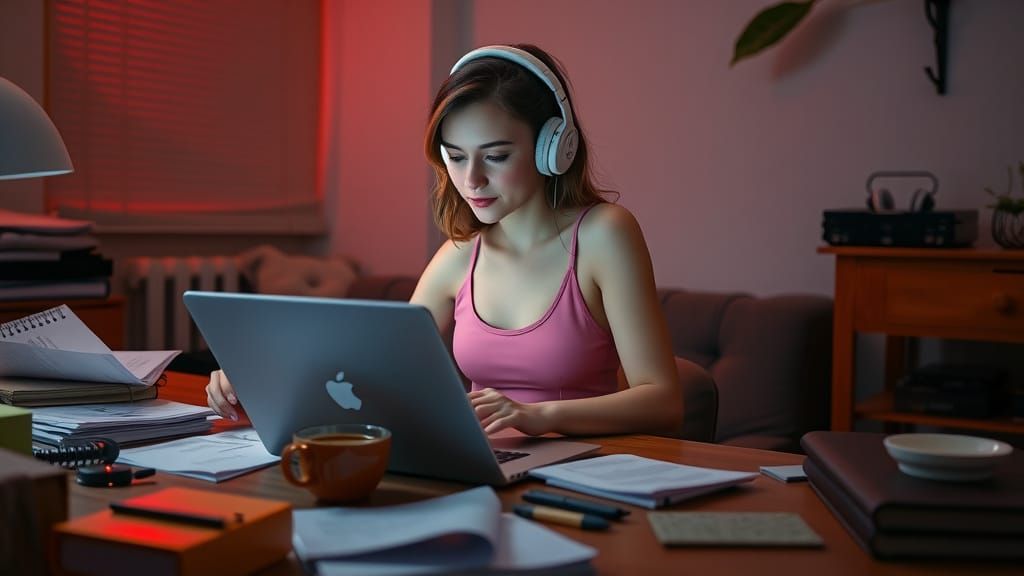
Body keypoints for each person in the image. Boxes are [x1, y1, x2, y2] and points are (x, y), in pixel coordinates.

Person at [206, 44, 683, 437]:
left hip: (585, 471)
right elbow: (373, 366)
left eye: (495, 156)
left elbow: (663, 401)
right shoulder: (458, 257)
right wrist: (263, 380)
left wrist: (540, 416)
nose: (471, 179)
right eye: (455, 157)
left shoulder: (605, 234)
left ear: (553, 146)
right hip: (486, 467)